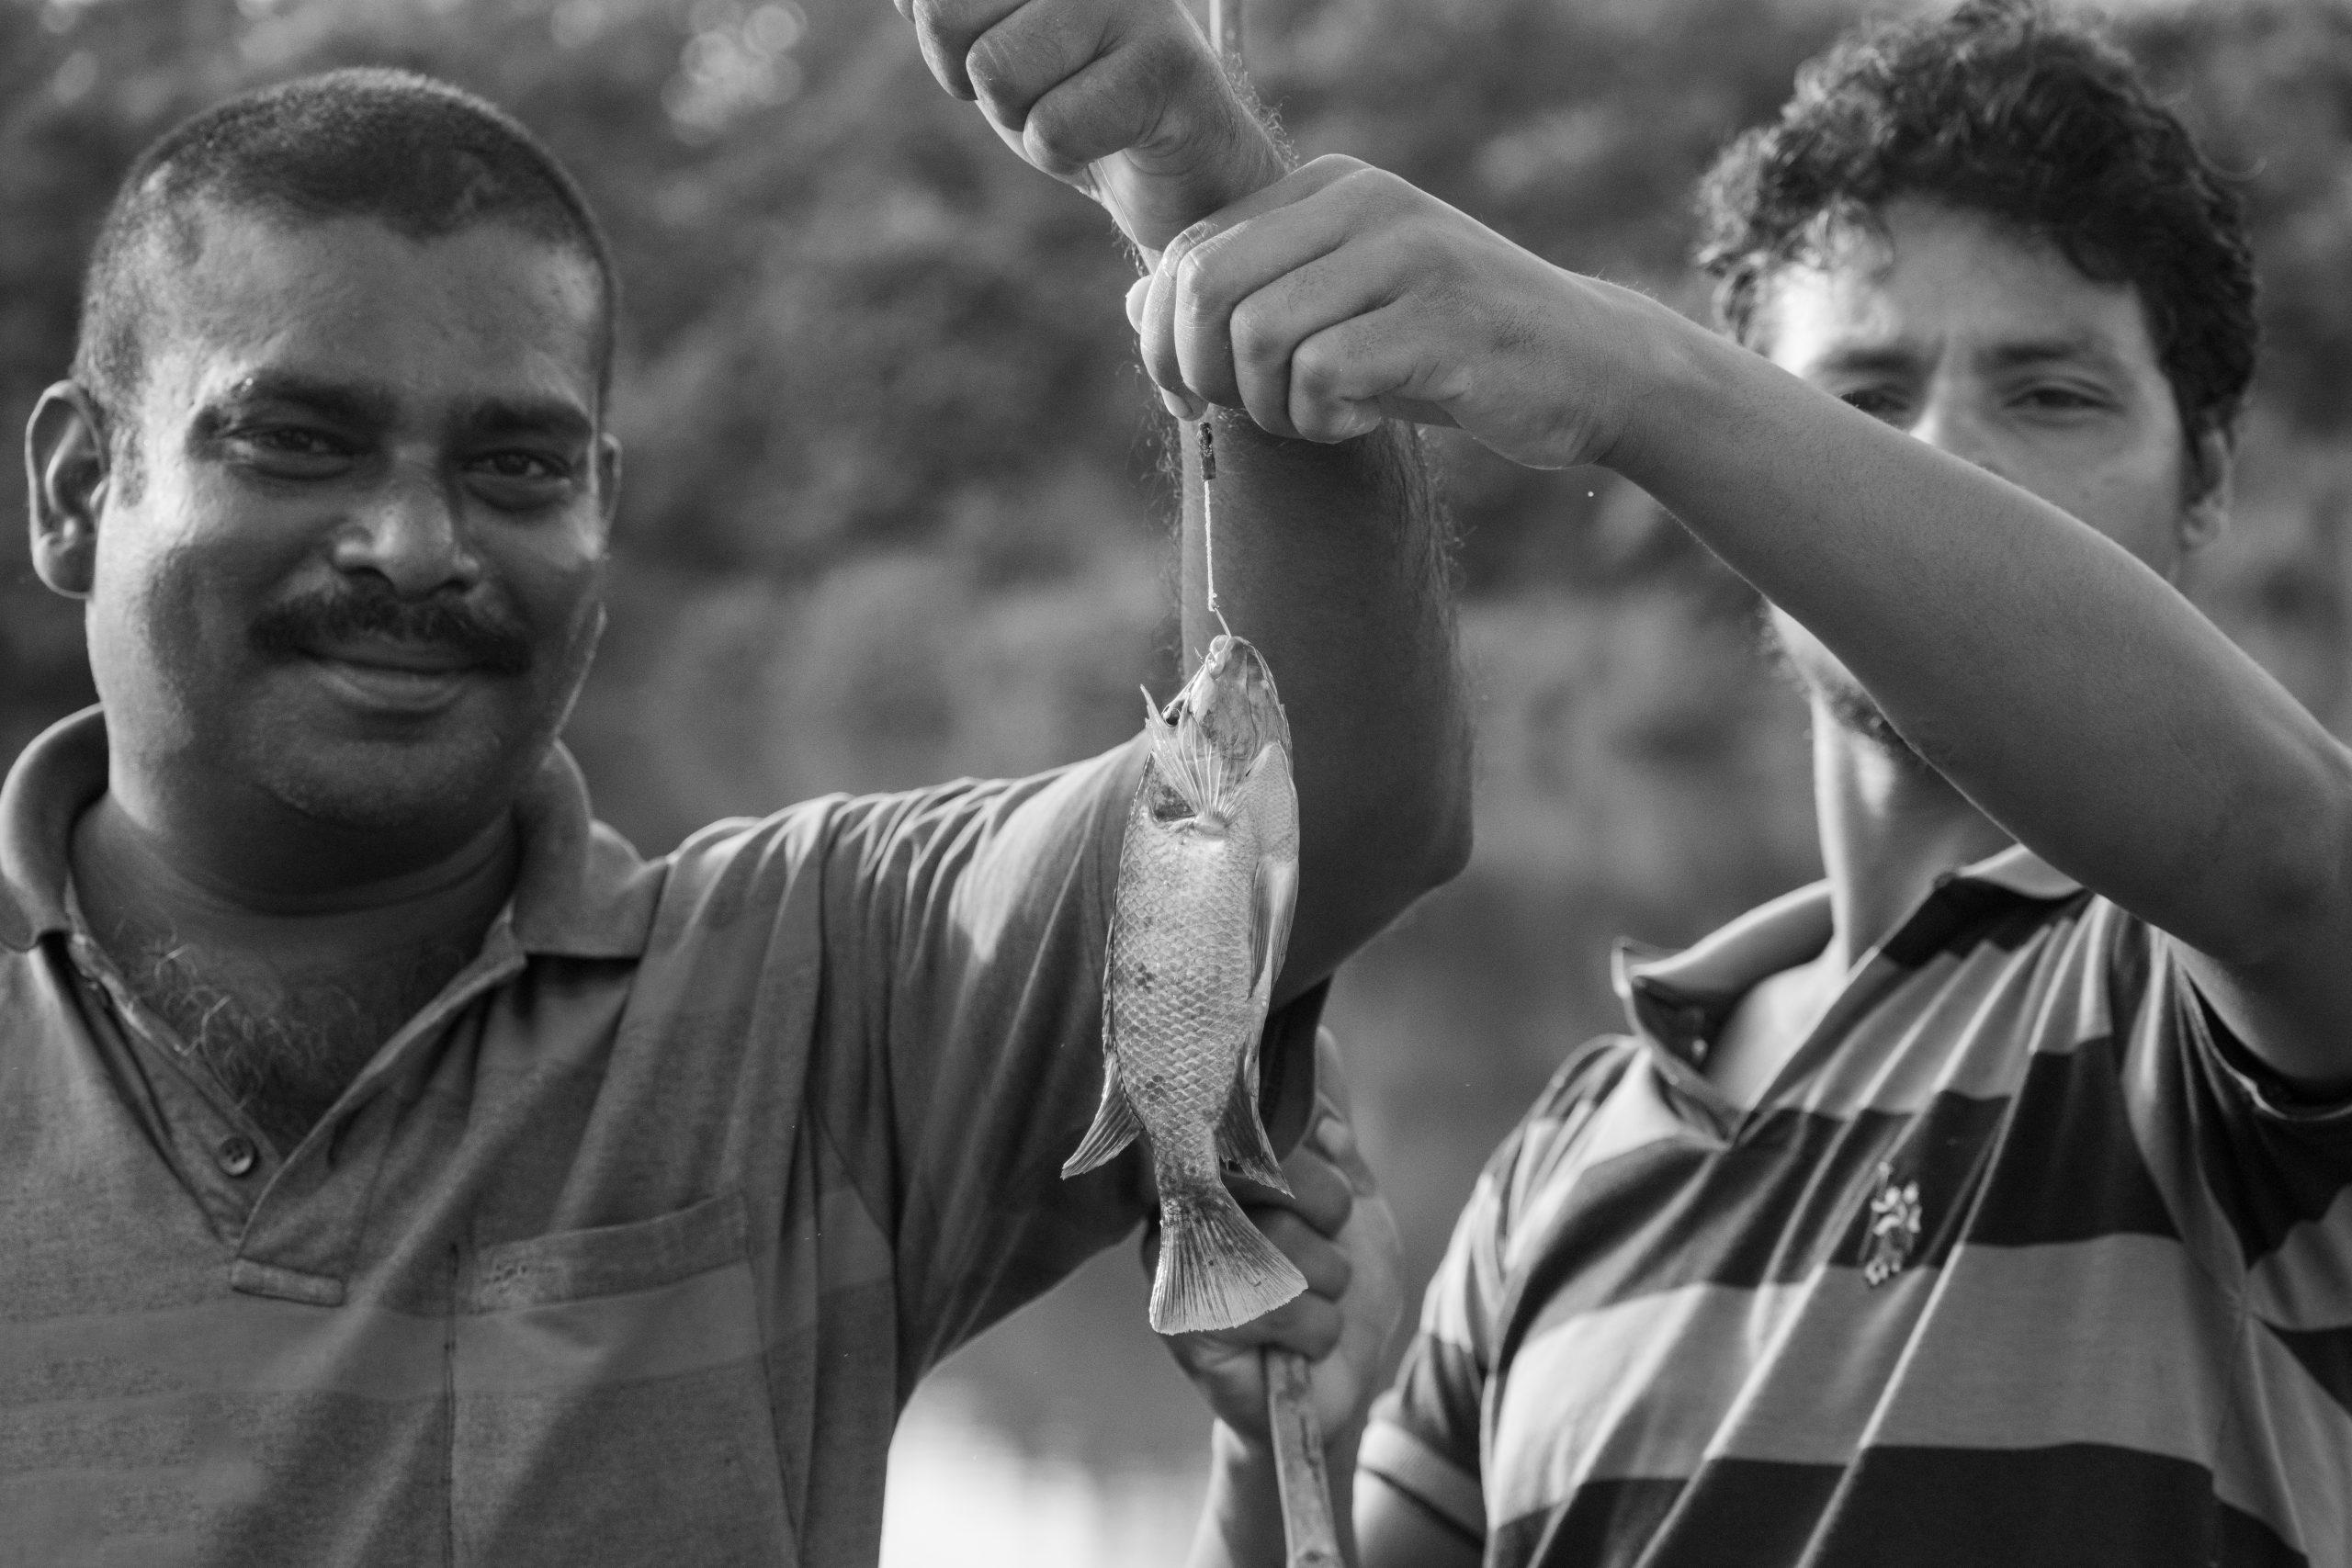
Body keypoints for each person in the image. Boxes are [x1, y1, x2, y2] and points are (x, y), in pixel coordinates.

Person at [1, 0, 1471, 1559]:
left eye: (517, 468)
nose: (418, 547)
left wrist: (1198, 184)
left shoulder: (824, 982)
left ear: (602, 508)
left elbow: (1333, 802)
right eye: (296, 441)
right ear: (82, 488)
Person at [1146, 3, 2352, 1564]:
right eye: (1857, 404)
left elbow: (2285, 861)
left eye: (2050, 393)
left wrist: (1624, 373)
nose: (1944, 459)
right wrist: (1276, 1448)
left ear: (2209, 486)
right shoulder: (1568, 1161)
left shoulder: (2231, 1015)